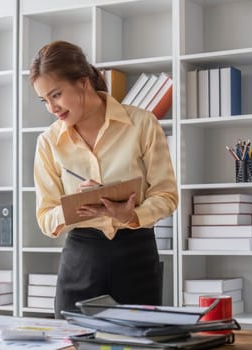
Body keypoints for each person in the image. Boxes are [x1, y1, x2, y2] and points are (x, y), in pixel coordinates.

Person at [30, 40, 178, 319]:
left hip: (137, 256)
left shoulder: (142, 124)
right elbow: (45, 218)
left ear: (83, 83)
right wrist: (74, 205)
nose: (51, 107)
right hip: (80, 260)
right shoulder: (48, 142)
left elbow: (167, 196)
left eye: (56, 95)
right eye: (44, 100)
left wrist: (131, 215)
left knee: (139, 345)